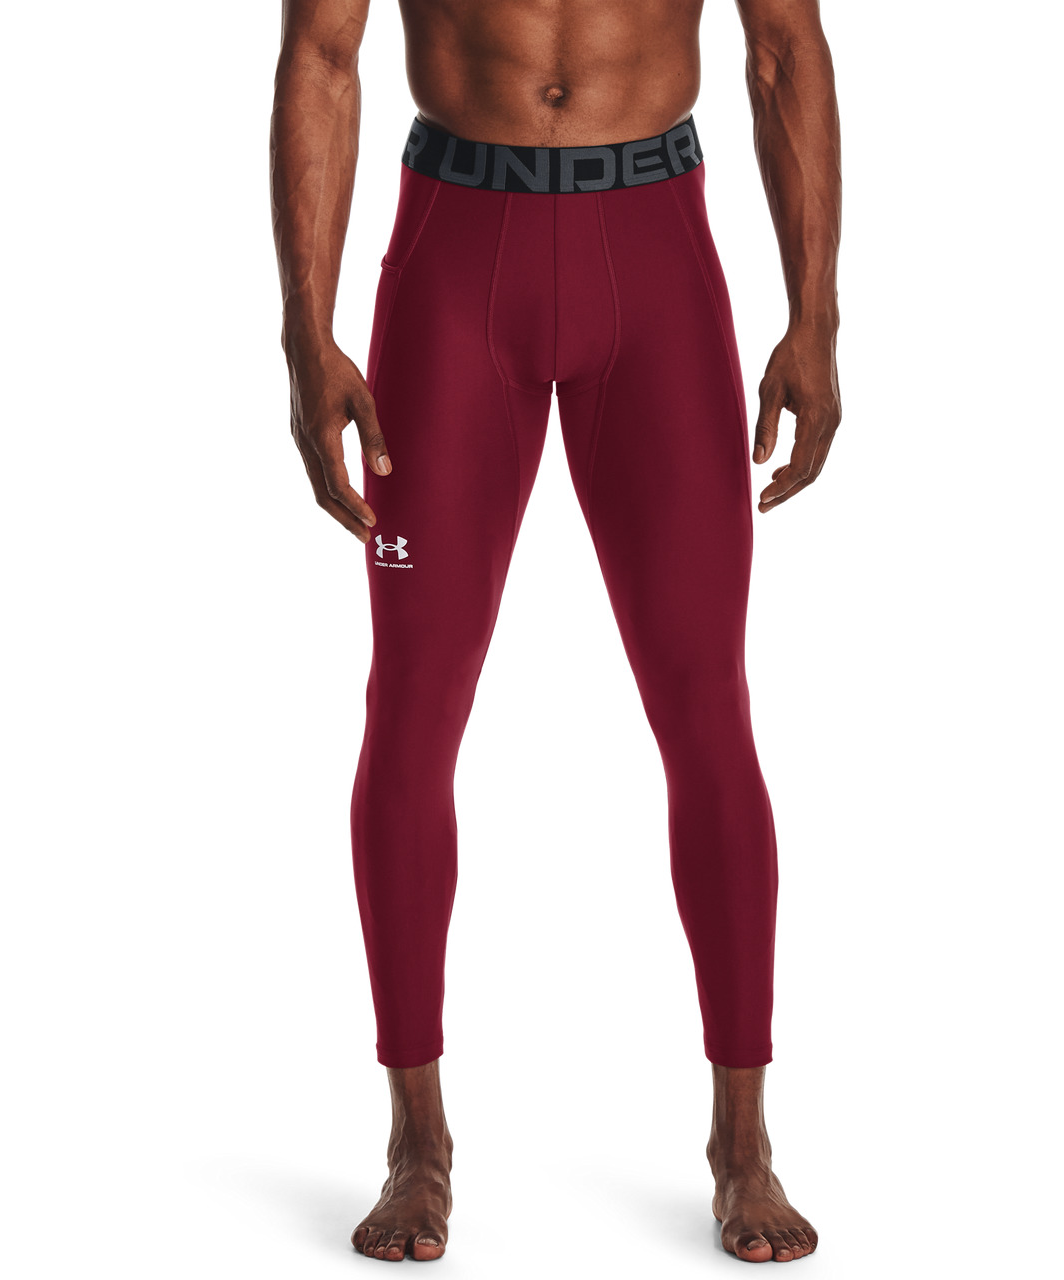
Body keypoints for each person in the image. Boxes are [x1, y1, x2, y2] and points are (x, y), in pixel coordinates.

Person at [270, 0, 841, 1263]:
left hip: (656, 251)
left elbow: (782, 47)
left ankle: (742, 1141)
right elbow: (322, 52)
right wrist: (307, 333)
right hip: (452, 257)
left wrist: (816, 314)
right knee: (411, 704)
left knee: (706, 705)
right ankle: (416, 1140)